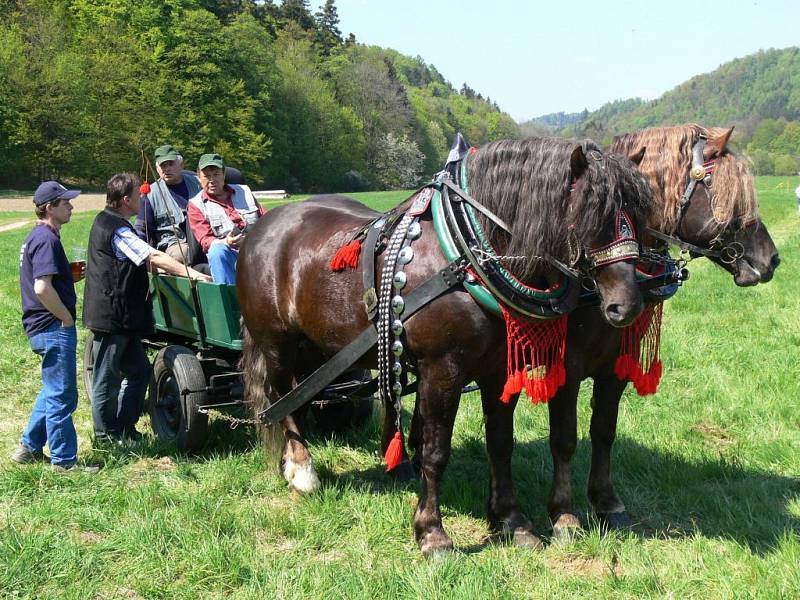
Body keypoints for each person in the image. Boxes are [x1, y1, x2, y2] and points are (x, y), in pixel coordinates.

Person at [83, 172, 210, 444]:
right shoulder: (115, 228)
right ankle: (105, 436)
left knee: (140, 373)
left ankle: (126, 429)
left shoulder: (115, 223)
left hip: (125, 318)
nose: (143, 199)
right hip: (111, 317)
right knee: (106, 378)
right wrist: (193, 274)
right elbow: (151, 256)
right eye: (139, 196)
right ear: (125, 199)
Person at [12, 181, 98, 473]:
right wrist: (66, 318)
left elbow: (45, 280)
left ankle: (28, 448)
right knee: (62, 394)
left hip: (40, 327)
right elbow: (40, 288)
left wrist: (66, 278)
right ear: (50, 207)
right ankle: (64, 462)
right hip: (51, 326)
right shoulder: (47, 240)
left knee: (53, 390)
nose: (71, 206)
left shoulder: (36, 237)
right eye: (65, 203)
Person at [187, 153, 265, 284]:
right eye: (206, 176)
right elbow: (206, 240)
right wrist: (227, 243)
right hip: (229, 253)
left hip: (258, 247)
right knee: (216, 250)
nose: (212, 180)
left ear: (223, 174)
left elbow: (266, 218)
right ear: (199, 178)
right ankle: (228, 299)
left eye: (216, 174)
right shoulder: (195, 205)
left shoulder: (244, 191)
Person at [135, 144, 200, 262]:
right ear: (157, 169)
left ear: (181, 164)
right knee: (184, 253)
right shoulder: (149, 194)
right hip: (174, 244)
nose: (167, 169)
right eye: (163, 165)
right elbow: (141, 229)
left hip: (202, 237)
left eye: (171, 164)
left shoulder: (199, 184)